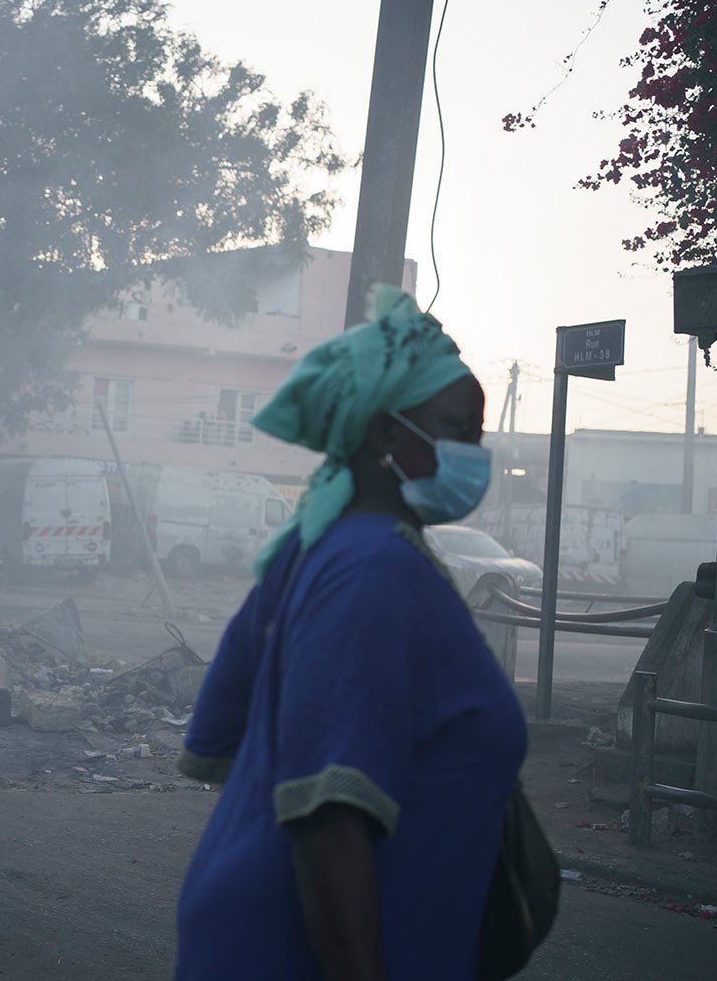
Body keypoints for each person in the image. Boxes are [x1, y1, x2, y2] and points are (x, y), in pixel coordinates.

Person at [174, 286, 527, 981]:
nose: (475, 454)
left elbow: (219, 736)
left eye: (479, 435)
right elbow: (328, 817)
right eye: (458, 431)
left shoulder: (317, 547)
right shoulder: (371, 572)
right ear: (384, 434)